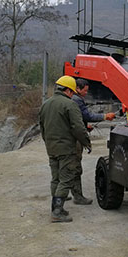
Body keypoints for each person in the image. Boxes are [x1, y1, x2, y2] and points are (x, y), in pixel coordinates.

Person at [39, 75, 91, 223]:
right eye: (73, 92)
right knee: (66, 178)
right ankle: (57, 212)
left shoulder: (46, 104)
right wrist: (86, 142)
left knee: (55, 178)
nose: (73, 94)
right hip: (66, 149)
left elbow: (42, 127)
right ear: (68, 90)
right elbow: (79, 128)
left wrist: (48, 142)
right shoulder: (70, 105)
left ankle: (55, 208)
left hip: (51, 147)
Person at [70, 78, 116, 205]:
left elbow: (78, 118)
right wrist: (105, 116)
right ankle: (77, 196)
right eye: (84, 91)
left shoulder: (71, 99)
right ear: (77, 89)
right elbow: (87, 116)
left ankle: (62, 192)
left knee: (63, 166)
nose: (86, 93)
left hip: (66, 137)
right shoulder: (77, 100)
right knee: (76, 167)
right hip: (74, 139)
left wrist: (85, 125)